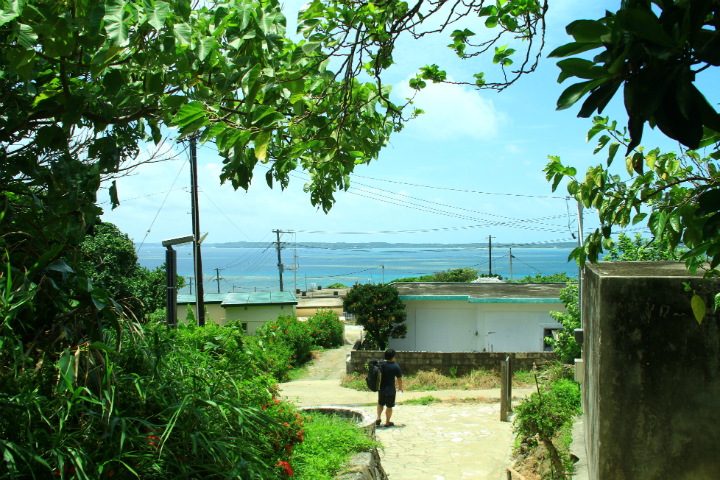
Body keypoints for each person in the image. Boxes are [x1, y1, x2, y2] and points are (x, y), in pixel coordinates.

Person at [376, 348, 403, 427]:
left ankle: (378, 417)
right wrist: (400, 387)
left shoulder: (380, 364)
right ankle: (387, 422)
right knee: (389, 406)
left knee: (380, 403)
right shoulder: (396, 366)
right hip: (391, 390)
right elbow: (399, 378)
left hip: (381, 389)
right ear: (393, 357)